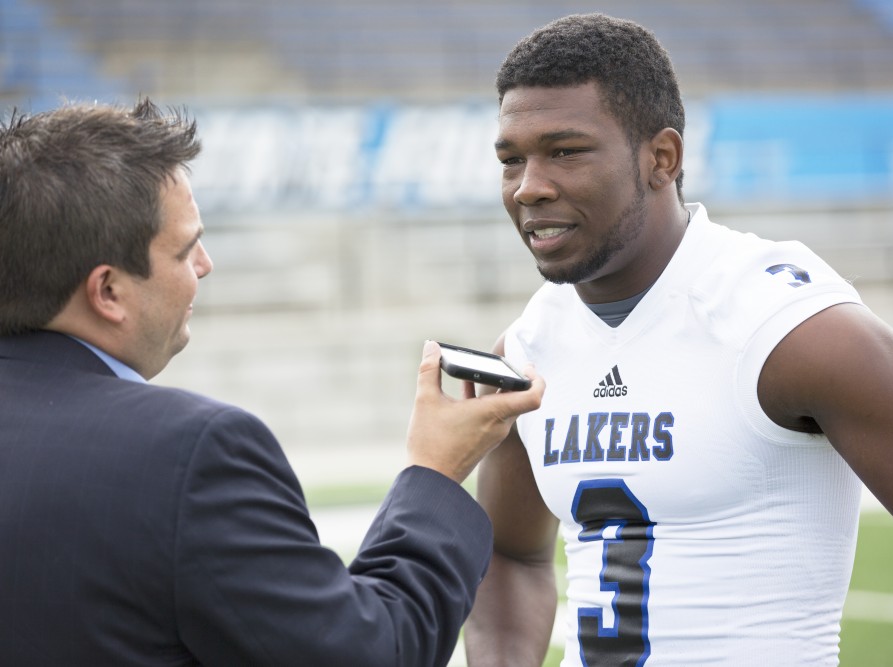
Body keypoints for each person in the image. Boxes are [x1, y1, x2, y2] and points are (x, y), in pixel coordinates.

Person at [463, 13, 893, 666]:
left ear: (662, 158)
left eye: (565, 151)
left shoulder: (778, 323)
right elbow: (511, 551)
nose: (529, 186)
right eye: (510, 159)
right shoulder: (527, 346)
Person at [0, 98, 545, 666]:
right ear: (107, 291)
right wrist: (434, 473)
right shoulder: (187, 453)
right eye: (185, 250)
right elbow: (370, 655)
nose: (205, 265)